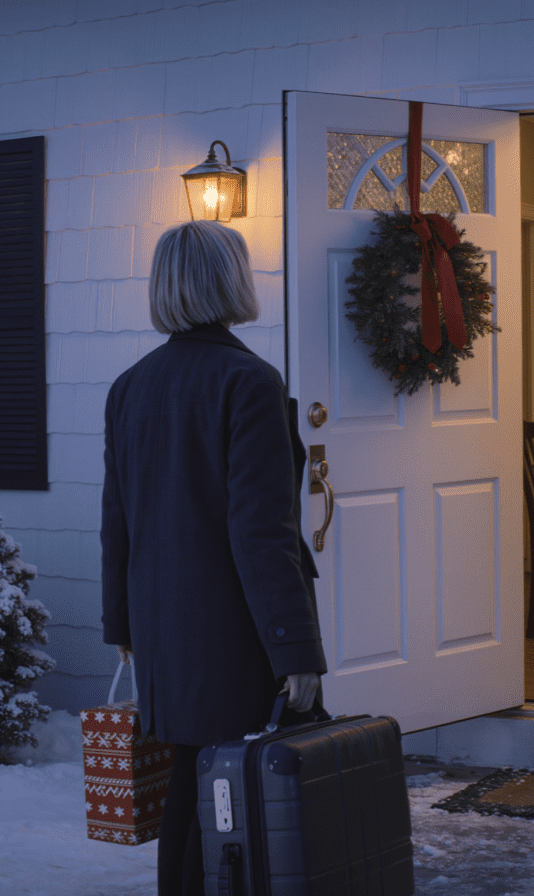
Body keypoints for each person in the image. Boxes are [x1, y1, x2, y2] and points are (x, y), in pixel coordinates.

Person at [100, 220, 327, 895]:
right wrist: (295, 651)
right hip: (235, 630)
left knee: (193, 783)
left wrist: (122, 627)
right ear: (231, 281)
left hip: (163, 631)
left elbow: (116, 521)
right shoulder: (248, 380)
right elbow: (262, 531)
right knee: (238, 796)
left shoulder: (130, 385)